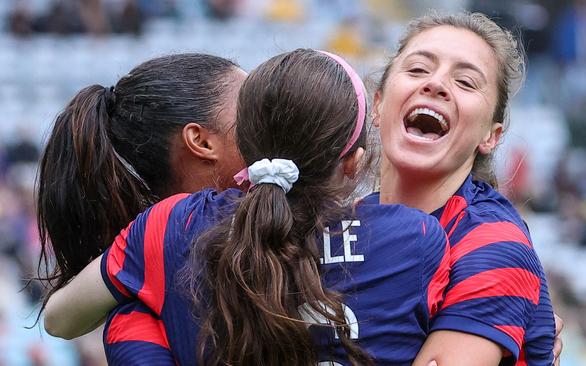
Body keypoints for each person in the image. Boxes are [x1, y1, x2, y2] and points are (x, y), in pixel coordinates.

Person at [43, 49, 451, 365]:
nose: (279, 114)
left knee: (128, 316)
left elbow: (59, 318)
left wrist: (135, 324)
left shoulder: (169, 229)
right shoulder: (413, 235)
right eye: (254, 107)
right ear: (355, 162)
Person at [370, 12, 556, 366]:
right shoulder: (341, 226)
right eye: (417, 70)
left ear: (491, 136)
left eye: (466, 82)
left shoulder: (496, 245)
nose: (436, 84)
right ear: (378, 104)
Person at [36, 53, 247, 363]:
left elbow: (60, 318)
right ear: (200, 141)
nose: (269, 118)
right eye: (252, 109)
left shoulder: (156, 241)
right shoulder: (162, 233)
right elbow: (57, 318)